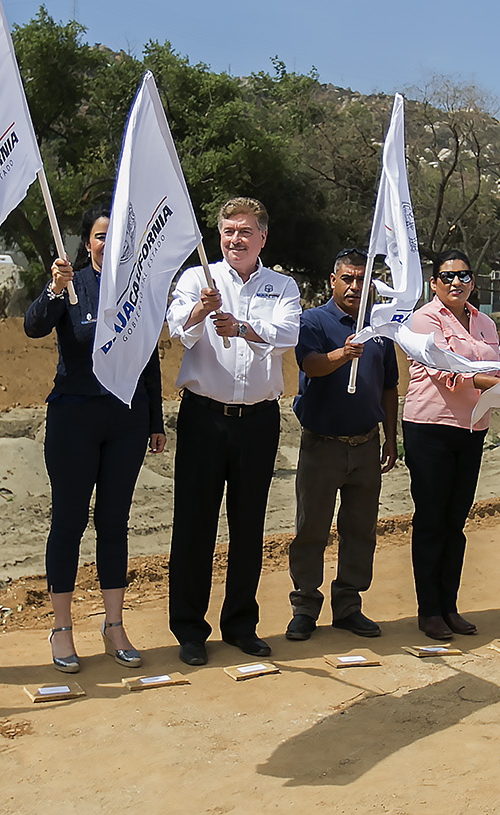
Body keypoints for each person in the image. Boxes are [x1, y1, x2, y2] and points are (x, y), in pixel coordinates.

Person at [24, 207, 166, 673]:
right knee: (68, 522)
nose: (108, 244)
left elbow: (148, 359)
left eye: (117, 237)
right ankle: (61, 628)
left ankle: (113, 625)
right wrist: (53, 289)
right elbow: (34, 325)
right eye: (100, 237)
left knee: (114, 521)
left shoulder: (139, 291)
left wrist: (155, 420)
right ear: (88, 243)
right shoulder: (72, 284)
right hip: (74, 416)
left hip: (125, 419)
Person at [164, 197, 301, 665]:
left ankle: (240, 624)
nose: (235, 239)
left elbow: (287, 334)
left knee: (248, 525)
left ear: (263, 236)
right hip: (204, 418)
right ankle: (189, 629)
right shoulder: (197, 279)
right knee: (194, 525)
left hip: (258, 422)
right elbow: (178, 333)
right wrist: (201, 312)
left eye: (244, 231)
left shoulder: (281, 286)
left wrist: (242, 325)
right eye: (227, 231)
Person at [286, 249, 400, 642]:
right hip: (323, 445)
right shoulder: (314, 320)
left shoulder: (379, 327)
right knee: (311, 527)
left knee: (360, 528)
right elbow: (310, 365)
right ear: (332, 280)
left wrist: (391, 436)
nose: (355, 287)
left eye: (362, 280)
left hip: (366, 444)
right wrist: (342, 353)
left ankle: (349, 604)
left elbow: (389, 386)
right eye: (347, 279)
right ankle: (304, 605)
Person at [402, 249, 500, 641]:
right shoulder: (425, 319)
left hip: (473, 428)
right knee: (431, 520)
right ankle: (429, 610)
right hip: (430, 428)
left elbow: (498, 367)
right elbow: (446, 370)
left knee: (455, 522)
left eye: (463, 275)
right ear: (434, 283)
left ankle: (449, 606)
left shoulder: (485, 324)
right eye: (447, 277)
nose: (456, 283)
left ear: (473, 281)